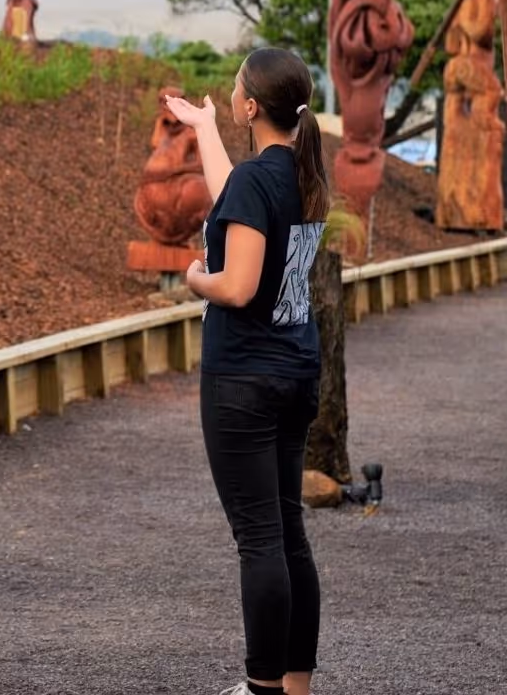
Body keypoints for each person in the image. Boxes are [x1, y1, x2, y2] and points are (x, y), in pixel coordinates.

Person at [164, 47, 330, 695]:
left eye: (234, 91)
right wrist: (205, 128)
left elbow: (236, 285)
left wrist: (193, 278)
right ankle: (293, 688)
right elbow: (239, 197)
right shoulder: (301, 172)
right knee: (287, 533)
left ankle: (261, 690)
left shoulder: (258, 182)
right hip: (295, 371)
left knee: (259, 539)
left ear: (252, 105)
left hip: (244, 383)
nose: (231, 95)